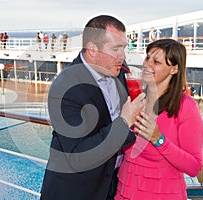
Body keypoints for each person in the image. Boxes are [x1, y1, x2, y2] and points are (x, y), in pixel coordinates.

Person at [40, 15, 145, 200]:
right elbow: (79, 155)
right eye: (116, 49)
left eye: (123, 48)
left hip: (112, 188)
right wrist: (125, 121)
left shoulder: (116, 67)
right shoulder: (65, 88)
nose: (123, 56)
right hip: (75, 192)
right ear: (92, 49)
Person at [115, 39, 203, 200]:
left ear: (174, 69)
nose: (147, 65)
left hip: (162, 194)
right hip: (125, 191)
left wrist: (159, 139)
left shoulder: (186, 107)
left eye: (156, 61)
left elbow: (194, 167)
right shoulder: (135, 99)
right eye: (147, 58)